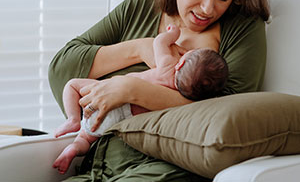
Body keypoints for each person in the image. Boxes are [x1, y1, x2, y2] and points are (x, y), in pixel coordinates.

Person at [48, 0, 270, 181]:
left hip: (164, 169)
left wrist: (132, 90)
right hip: (95, 166)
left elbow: (229, 116)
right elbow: (62, 69)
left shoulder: (242, 26)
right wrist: (139, 48)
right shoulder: (139, 7)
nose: (208, 8)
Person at [52, 23, 228, 174]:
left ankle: (73, 120)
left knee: (72, 85)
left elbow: (159, 42)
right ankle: (75, 148)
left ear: (181, 63)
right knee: (85, 139)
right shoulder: (183, 98)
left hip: (106, 93)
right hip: (120, 121)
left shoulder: (168, 65)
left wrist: (173, 33)